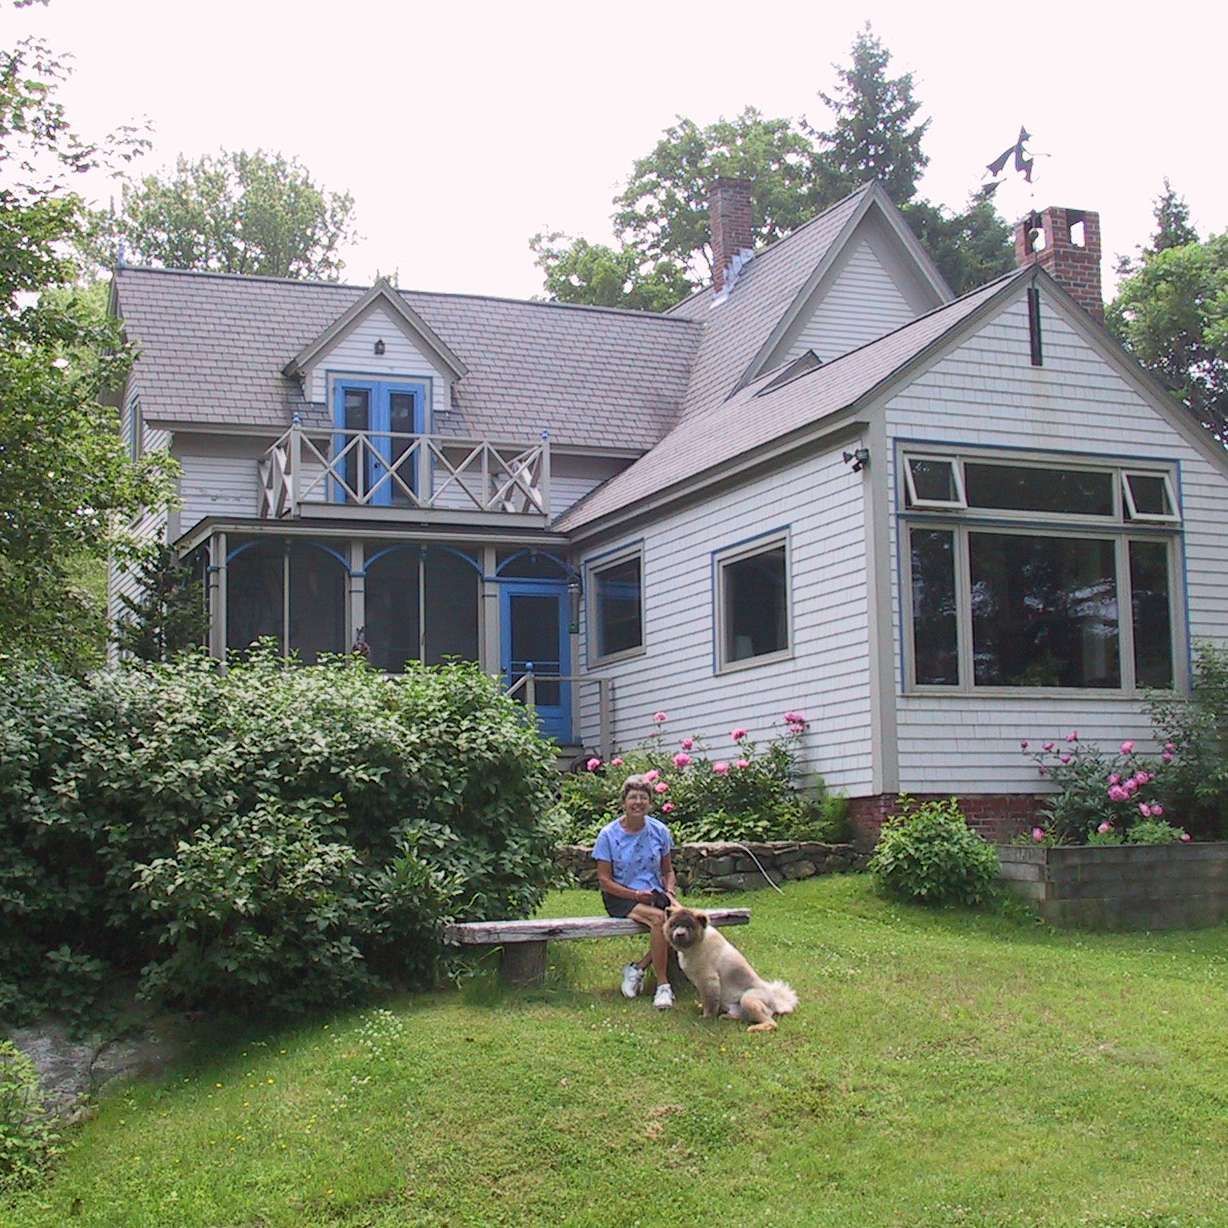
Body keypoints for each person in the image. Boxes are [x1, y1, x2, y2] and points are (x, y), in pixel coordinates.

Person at [593, 775, 678, 1009]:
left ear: (650, 803)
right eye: (633, 797)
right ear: (624, 802)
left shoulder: (660, 831)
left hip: (653, 893)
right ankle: (663, 986)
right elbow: (604, 881)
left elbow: (668, 871)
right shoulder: (608, 835)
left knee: (681, 919)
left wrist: (669, 892)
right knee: (660, 919)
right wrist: (635, 896)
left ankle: (638, 968)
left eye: (643, 797)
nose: (638, 802)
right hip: (621, 896)